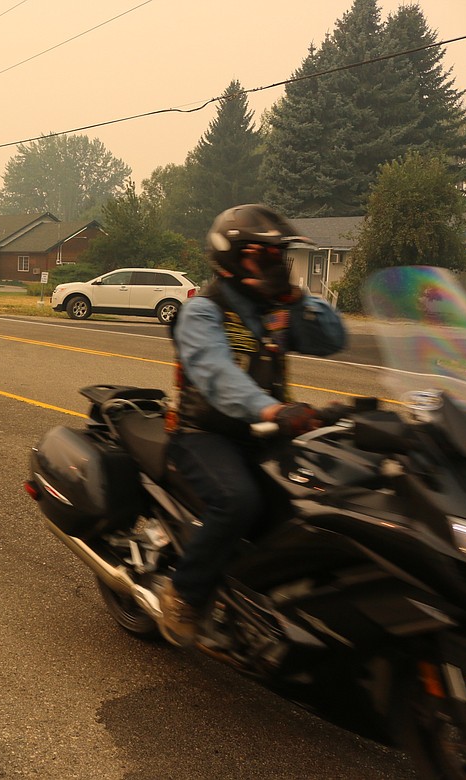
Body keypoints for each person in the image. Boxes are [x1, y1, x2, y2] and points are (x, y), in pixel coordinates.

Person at [157, 204, 346, 647]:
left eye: (278, 256)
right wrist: (273, 410)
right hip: (204, 433)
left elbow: (333, 340)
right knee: (238, 501)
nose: (274, 263)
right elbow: (218, 377)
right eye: (262, 254)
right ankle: (184, 594)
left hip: (266, 433)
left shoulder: (274, 310)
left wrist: (297, 299)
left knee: (324, 498)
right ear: (232, 257)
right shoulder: (203, 312)